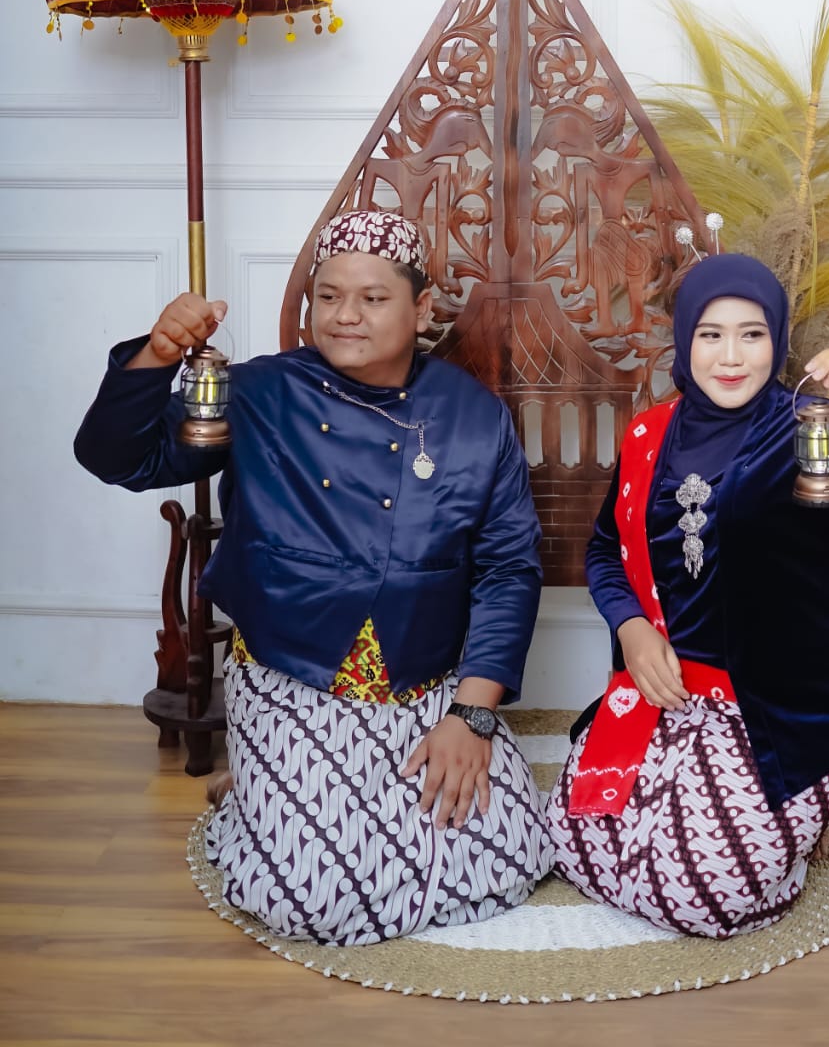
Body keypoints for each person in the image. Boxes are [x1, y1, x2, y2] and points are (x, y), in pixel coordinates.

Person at [74, 208, 552, 945]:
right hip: (293, 674)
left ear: (422, 307)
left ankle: (273, 790)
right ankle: (261, 791)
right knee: (310, 902)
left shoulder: (474, 416)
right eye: (328, 296)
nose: (345, 315)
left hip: (422, 681)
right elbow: (118, 458)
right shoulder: (258, 393)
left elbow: (508, 569)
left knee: (511, 856)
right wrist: (159, 355)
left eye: (372, 298)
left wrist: (472, 716)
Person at [545, 252, 829, 938]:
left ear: (778, 338)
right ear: (685, 339)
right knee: (573, 839)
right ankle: (776, 825)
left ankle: (801, 816)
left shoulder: (814, 429)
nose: (731, 356)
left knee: (699, 895)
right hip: (673, 691)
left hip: (793, 708)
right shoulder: (650, 437)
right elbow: (604, 551)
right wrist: (631, 630)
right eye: (711, 334)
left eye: (752, 334)